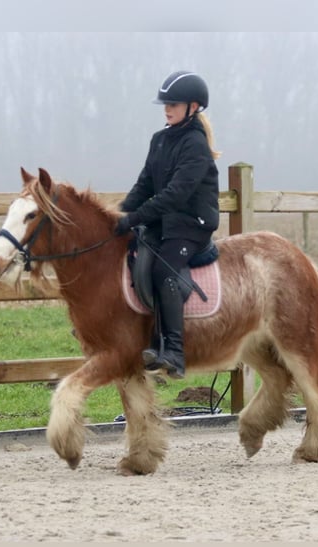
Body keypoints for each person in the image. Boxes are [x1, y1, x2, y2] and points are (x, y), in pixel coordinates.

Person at [114, 71, 221, 379]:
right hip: (164, 222)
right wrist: (118, 216)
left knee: (164, 269)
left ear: (193, 106)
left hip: (191, 225)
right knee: (126, 252)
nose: (167, 108)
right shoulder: (160, 140)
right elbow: (144, 185)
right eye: (165, 104)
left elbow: (176, 194)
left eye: (173, 103)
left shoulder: (195, 145)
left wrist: (136, 218)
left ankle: (173, 350)